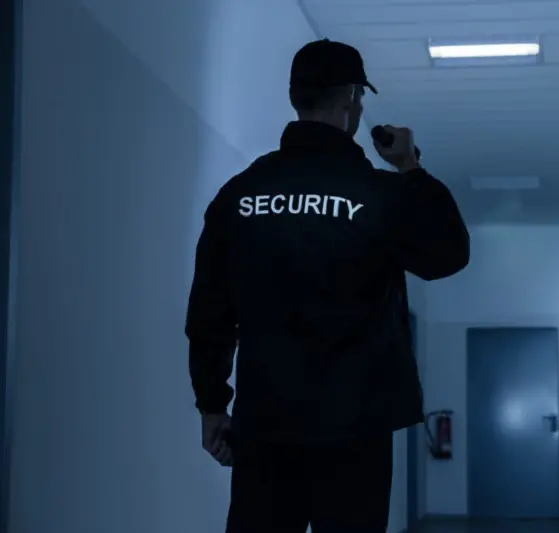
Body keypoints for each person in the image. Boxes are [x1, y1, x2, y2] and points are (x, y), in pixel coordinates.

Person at [185, 38, 470, 533]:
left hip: (266, 424)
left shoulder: (239, 195)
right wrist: (410, 168)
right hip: (356, 429)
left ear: (296, 98)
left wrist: (212, 404)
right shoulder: (380, 196)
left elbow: (210, 312)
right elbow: (448, 254)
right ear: (352, 100)